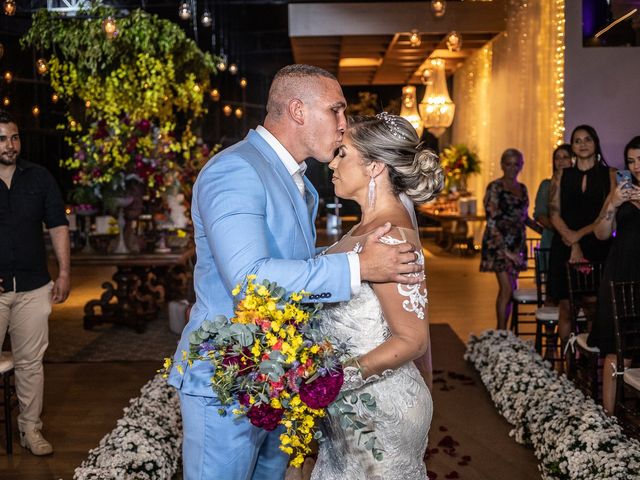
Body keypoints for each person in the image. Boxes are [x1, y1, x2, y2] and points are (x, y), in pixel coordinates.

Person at [167, 65, 422, 480]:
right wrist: (359, 265)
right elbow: (250, 280)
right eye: (336, 111)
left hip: (281, 378)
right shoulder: (235, 171)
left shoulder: (302, 184)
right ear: (298, 110)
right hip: (228, 379)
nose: (343, 125)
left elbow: (294, 264)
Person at [311, 113, 440, 480]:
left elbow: (413, 340)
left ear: (375, 167)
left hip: (380, 411)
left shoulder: (391, 236)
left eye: (343, 154)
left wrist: (335, 379)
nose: (333, 164)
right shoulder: (368, 227)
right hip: (349, 406)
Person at [0, 109, 71, 455]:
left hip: (33, 287)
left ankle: (31, 430)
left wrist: (65, 272)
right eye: (2, 139)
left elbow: (58, 225)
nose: (10, 145)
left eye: (14, 137)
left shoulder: (39, 178)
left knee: (30, 364)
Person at [548, 125, 615, 348]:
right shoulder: (561, 175)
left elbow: (606, 214)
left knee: (594, 306)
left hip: (597, 244)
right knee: (566, 306)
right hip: (564, 243)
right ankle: (567, 368)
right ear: (572, 146)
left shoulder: (610, 174)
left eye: (587, 139)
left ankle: (589, 365)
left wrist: (577, 238)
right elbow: (554, 213)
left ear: (595, 143)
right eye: (577, 140)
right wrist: (572, 239)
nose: (582, 144)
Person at [589, 135, 640, 414]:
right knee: (616, 348)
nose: (636, 166)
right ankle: (609, 418)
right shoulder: (621, 191)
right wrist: (612, 204)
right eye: (631, 161)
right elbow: (601, 233)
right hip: (621, 273)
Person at [480, 149, 539, 330]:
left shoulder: (522, 188)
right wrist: (507, 252)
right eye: (508, 163)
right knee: (506, 289)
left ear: (521, 165)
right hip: (498, 245)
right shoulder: (495, 187)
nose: (512, 168)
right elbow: (491, 221)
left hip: (517, 243)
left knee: (511, 290)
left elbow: (523, 217)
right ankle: (501, 332)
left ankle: (505, 333)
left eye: (516, 164)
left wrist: (545, 230)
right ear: (502, 165)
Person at [533, 144, 573, 252]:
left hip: (577, 238)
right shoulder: (547, 185)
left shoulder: (580, 185)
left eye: (565, 157)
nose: (561, 161)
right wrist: (560, 231)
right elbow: (540, 214)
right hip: (552, 239)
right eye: (557, 158)